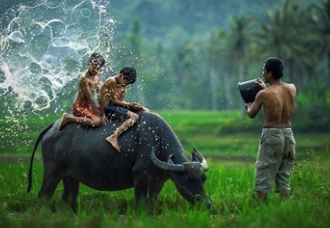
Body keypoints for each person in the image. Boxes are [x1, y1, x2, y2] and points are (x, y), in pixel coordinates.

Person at [245, 57, 296, 202]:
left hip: (272, 135)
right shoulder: (292, 88)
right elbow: (277, 95)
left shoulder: (263, 94)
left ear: (270, 73)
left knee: (263, 176)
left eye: (263, 70)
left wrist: (248, 105)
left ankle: (260, 209)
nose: (262, 73)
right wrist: (266, 89)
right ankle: (285, 210)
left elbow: (252, 114)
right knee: (284, 178)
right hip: (288, 135)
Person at [99, 67, 149, 152]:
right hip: (108, 107)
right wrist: (129, 105)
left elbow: (121, 101)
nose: (126, 85)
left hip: (115, 106)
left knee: (145, 110)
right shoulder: (112, 81)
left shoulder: (123, 85)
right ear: (121, 76)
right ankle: (113, 137)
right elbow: (113, 100)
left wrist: (133, 106)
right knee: (134, 117)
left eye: (128, 84)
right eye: (126, 83)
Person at [57, 53, 107, 130]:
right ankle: (68, 117)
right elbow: (90, 98)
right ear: (89, 63)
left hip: (88, 107)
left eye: (98, 67)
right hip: (79, 106)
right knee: (97, 121)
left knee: (108, 110)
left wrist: (103, 112)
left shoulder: (98, 76)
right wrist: (99, 116)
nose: (96, 68)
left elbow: (99, 96)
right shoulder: (84, 78)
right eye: (94, 65)